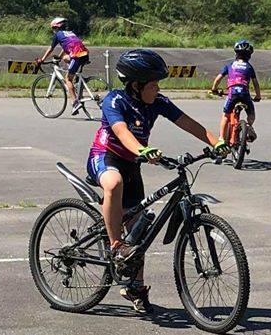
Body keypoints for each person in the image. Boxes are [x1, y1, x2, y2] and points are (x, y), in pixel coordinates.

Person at [88, 48, 219, 308]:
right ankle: (115, 245)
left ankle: (135, 286)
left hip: (133, 163)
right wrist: (142, 150)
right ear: (136, 86)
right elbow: (122, 132)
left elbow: (190, 124)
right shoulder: (114, 101)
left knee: (139, 228)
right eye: (153, 85)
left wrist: (218, 142)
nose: (157, 89)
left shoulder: (158, 102)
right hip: (106, 157)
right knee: (114, 184)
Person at [210, 39, 262, 148]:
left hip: (232, 93)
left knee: (225, 115)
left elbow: (219, 78)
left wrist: (214, 89)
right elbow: (256, 83)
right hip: (245, 94)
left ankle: (221, 139)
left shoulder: (230, 66)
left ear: (236, 53)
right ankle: (248, 127)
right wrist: (258, 96)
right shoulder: (249, 67)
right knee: (251, 114)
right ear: (249, 56)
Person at [42, 16, 92, 113]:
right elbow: (66, 48)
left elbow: (50, 49)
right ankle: (77, 82)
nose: (53, 31)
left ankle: (75, 103)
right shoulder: (70, 33)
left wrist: (42, 59)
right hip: (84, 54)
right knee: (65, 58)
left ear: (56, 27)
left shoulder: (58, 35)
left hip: (76, 55)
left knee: (68, 79)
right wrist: (60, 57)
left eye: (53, 28)